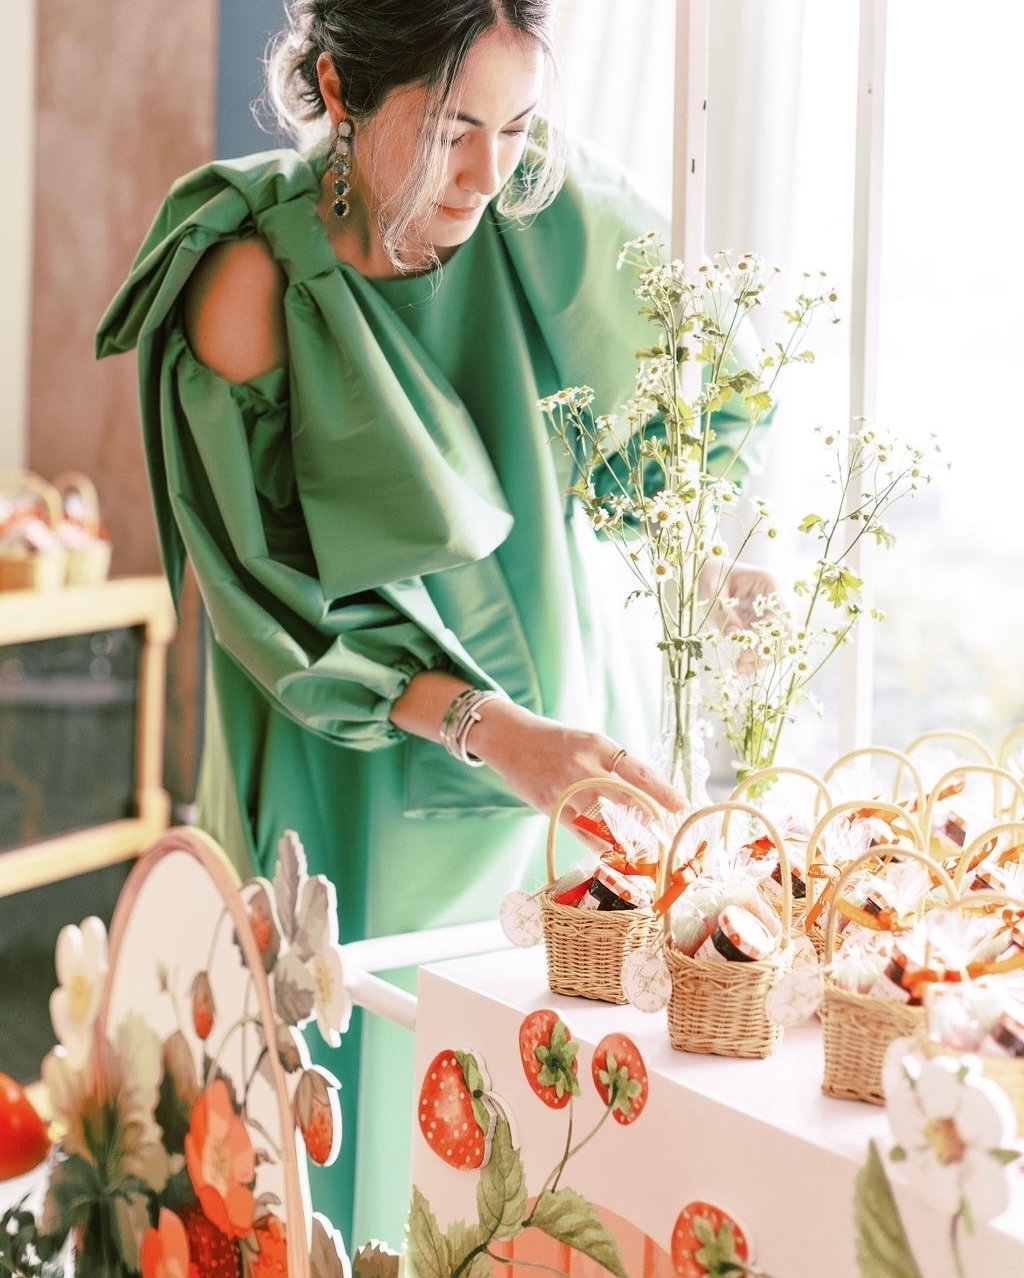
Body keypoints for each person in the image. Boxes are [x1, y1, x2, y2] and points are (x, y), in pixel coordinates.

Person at [97, 0, 763, 1252]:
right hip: (347, 770)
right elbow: (273, 604)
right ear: (341, 88)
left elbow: (701, 412)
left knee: (542, 1156)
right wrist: (484, 726)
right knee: (343, 1148)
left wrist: (695, 568)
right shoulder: (250, 275)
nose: (488, 171)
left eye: (516, 125)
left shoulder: (543, 208)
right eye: (455, 127)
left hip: (562, 765)